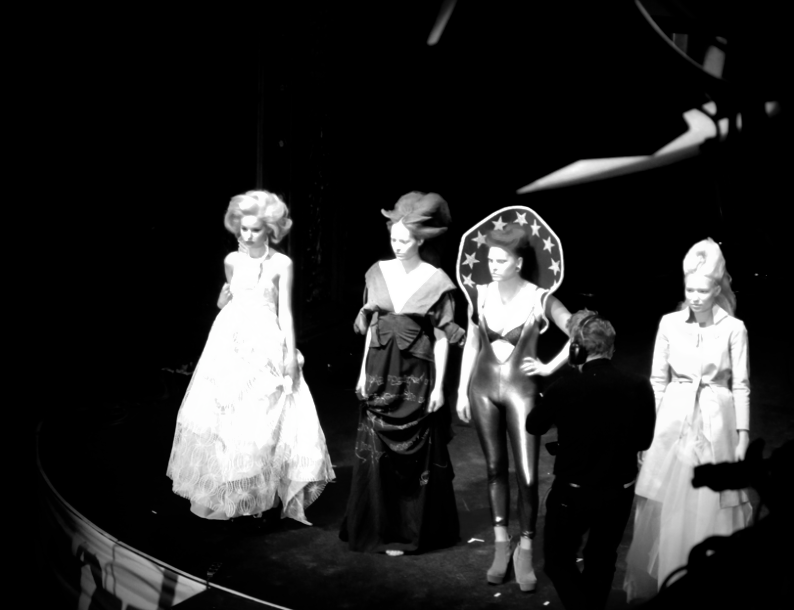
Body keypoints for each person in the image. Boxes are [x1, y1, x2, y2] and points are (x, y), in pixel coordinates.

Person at [166, 190, 335, 524]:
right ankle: (234, 496)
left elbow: (285, 312)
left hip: (266, 341)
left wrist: (289, 355)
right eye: (243, 229)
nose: (247, 235)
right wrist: (220, 301)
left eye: (255, 229)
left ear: (270, 229)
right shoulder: (232, 261)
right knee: (229, 418)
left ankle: (262, 499)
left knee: (264, 418)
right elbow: (229, 300)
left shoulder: (282, 264)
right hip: (230, 342)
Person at [624, 238, 752, 601]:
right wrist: (647, 433)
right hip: (673, 420)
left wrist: (743, 435)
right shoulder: (669, 324)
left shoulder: (734, 328)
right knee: (669, 503)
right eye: (689, 289)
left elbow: (741, 385)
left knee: (714, 500)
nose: (695, 297)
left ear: (717, 289)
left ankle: (711, 584)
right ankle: (672, 581)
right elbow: (657, 381)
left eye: (703, 290)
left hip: (717, 421)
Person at [339, 191, 464, 555]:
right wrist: (362, 374)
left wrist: (439, 388)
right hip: (379, 372)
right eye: (393, 239)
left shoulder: (436, 280)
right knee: (377, 453)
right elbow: (372, 327)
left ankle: (410, 531)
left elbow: (442, 338)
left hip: (416, 377)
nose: (397, 245)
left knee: (415, 454)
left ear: (420, 240)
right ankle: (379, 528)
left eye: (404, 240)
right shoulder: (377, 272)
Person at [456, 221, 573, 591]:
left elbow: (579, 330)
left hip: (522, 392)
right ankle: (500, 545)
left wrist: (549, 367)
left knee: (527, 475)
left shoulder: (539, 298)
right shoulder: (479, 294)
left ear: (518, 263)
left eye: (501, 260)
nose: (493, 266)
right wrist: (461, 392)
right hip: (482, 389)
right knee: (494, 469)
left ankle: (525, 548)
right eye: (490, 260)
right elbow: (471, 344)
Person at [526, 310, 656, 610]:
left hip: (573, 493)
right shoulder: (639, 385)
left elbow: (534, 425)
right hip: (618, 493)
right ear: (612, 348)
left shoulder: (564, 387)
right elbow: (644, 441)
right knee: (601, 560)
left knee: (558, 562)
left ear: (576, 350)